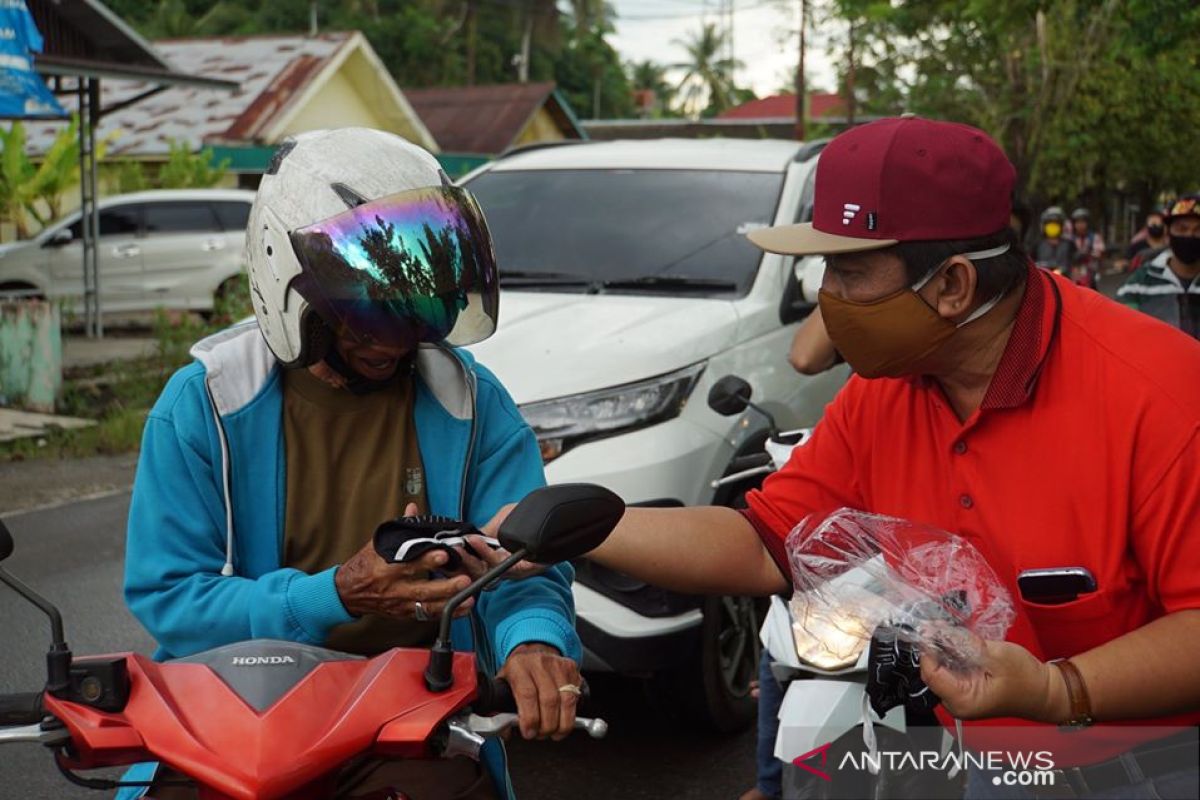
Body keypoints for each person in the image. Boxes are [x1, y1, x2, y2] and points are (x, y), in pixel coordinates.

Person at [481, 117, 1200, 799]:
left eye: (849, 273)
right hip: (1001, 761)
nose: (828, 298)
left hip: (1153, 768)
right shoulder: (886, 392)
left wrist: (1054, 691)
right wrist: (588, 528)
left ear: (952, 286)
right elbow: (767, 543)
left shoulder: (1159, 395)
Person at [123, 128, 583, 800]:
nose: (398, 339)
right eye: (367, 313)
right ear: (291, 289)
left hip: (407, 712)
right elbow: (170, 598)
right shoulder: (205, 404)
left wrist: (532, 640)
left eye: (417, 311)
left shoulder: (475, 405)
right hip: (231, 706)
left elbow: (520, 565)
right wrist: (333, 594)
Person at [1117, 194, 1200, 339]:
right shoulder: (1139, 284)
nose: (1189, 235)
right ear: (1168, 233)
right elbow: (1119, 331)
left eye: (1198, 230)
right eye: (1182, 229)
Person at [1125, 207, 1170, 272]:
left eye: (1159, 223)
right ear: (1146, 226)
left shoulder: (1172, 248)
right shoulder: (1136, 247)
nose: (1155, 226)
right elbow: (1125, 263)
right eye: (1152, 223)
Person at [1069, 206, 1105, 285]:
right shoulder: (1070, 239)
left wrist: (1087, 254)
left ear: (1088, 223)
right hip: (1073, 270)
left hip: (1090, 270)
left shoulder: (1094, 237)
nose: (1080, 225)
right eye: (1077, 222)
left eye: (1083, 222)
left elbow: (1100, 252)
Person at [1032, 206, 1074, 274]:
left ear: (1062, 226)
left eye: (1056, 224)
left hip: (1064, 280)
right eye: (1050, 224)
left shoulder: (1069, 245)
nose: (1052, 227)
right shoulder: (1038, 245)